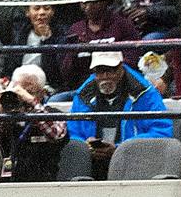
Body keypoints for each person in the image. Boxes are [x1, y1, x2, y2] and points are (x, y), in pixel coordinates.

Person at [66, 51, 173, 180]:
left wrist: (122, 148)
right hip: (91, 165)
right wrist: (85, 146)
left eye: (110, 71)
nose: (105, 77)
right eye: (99, 71)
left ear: (121, 67)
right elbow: (72, 133)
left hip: (133, 166)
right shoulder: (83, 95)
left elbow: (163, 132)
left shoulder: (144, 92)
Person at [0, 64, 68, 182]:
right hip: (5, 184)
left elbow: (57, 135)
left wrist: (33, 103)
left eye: (29, 91)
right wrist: (0, 114)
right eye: (19, 90)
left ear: (42, 93)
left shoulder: (52, 114)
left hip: (42, 183)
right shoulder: (6, 116)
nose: (22, 96)